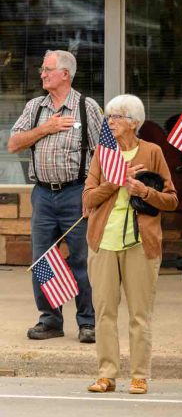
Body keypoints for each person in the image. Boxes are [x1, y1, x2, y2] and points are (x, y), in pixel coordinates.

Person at [82, 94, 178, 394]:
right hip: (104, 241)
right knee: (105, 311)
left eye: (118, 117)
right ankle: (106, 374)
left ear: (134, 122)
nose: (111, 122)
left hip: (140, 243)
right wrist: (116, 182)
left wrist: (143, 191)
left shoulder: (152, 152)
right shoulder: (103, 153)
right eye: (109, 117)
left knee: (139, 313)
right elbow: (87, 199)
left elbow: (172, 200)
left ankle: (139, 375)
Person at [8, 50, 103, 343]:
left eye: (47, 69)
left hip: (76, 192)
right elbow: (13, 144)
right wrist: (45, 128)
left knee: (82, 260)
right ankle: (50, 320)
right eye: (42, 69)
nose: (42, 74)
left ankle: (88, 322)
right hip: (43, 195)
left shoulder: (87, 107)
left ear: (65, 74)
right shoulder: (36, 107)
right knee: (43, 260)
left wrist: (95, 195)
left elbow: (104, 154)